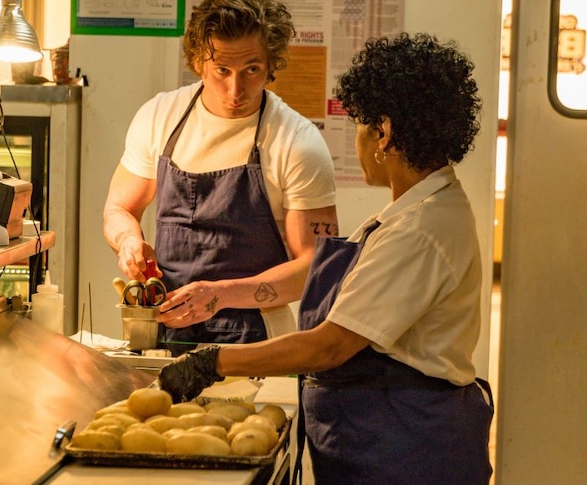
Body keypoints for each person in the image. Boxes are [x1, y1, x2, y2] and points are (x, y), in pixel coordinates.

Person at [158, 32, 494, 485]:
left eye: (358, 123)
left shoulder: (418, 229)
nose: (355, 138)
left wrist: (212, 362)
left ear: (384, 132)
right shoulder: (418, 210)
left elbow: (329, 345)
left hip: (403, 447)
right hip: (382, 438)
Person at [103, 0, 338, 351]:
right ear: (199, 61)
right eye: (222, 70)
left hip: (257, 341)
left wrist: (220, 295)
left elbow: (315, 267)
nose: (236, 90)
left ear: (272, 63)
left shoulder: (297, 143)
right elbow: (119, 209)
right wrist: (127, 242)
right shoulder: (160, 118)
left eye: (252, 69)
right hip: (165, 331)